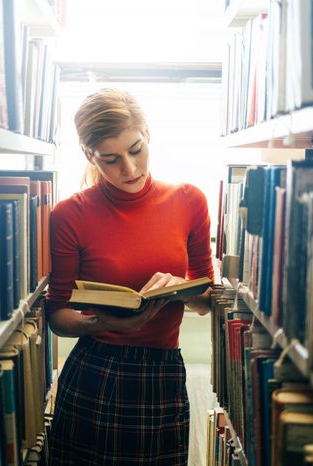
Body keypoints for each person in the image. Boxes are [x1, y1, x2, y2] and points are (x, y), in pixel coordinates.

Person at [46, 88, 214, 465]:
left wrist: (179, 290)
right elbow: (57, 315)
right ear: (90, 156)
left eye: (136, 150)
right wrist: (105, 322)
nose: (130, 168)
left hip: (163, 373)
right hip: (96, 371)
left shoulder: (190, 201)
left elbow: (206, 301)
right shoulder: (69, 214)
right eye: (111, 159)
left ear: (148, 134)